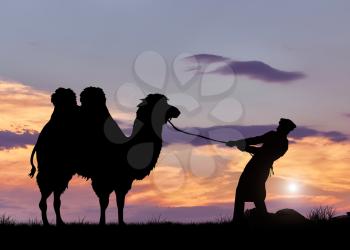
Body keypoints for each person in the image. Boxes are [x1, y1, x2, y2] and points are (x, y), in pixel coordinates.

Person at [226, 118, 296, 222]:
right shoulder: (283, 144)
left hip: (257, 169)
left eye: (280, 126)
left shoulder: (278, 141)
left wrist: (244, 147)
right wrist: (239, 143)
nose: (277, 127)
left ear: (284, 129)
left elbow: (264, 153)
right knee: (250, 193)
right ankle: (246, 219)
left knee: (251, 193)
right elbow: (256, 140)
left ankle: (242, 219)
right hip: (259, 169)